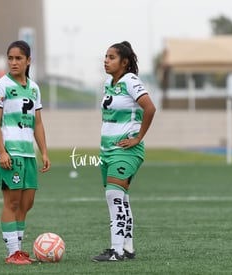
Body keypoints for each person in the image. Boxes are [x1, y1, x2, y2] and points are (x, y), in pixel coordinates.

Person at [92, 41, 156, 262]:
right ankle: (127, 247)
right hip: (107, 151)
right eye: (106, 56)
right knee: (121, 197)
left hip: (127, 151)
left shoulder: (130, 80)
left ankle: (116, 250)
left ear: (124, 62)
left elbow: (150, 108)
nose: (106, 60)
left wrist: (138, 138)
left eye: (111, 57)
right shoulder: (109, 83)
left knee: (114, 194)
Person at [0, 40, 51, 265]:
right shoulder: (1, 85)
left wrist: (43, 152)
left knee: (27, 203)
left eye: (18, 58)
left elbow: (38, 123)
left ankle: (19, 250)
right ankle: (12, 252)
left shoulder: (34, 87)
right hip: (10, 154)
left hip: (28, 155)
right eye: (11, 58)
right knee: (12, 203)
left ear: (28, 61)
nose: (14, 62)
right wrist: (2, 151)